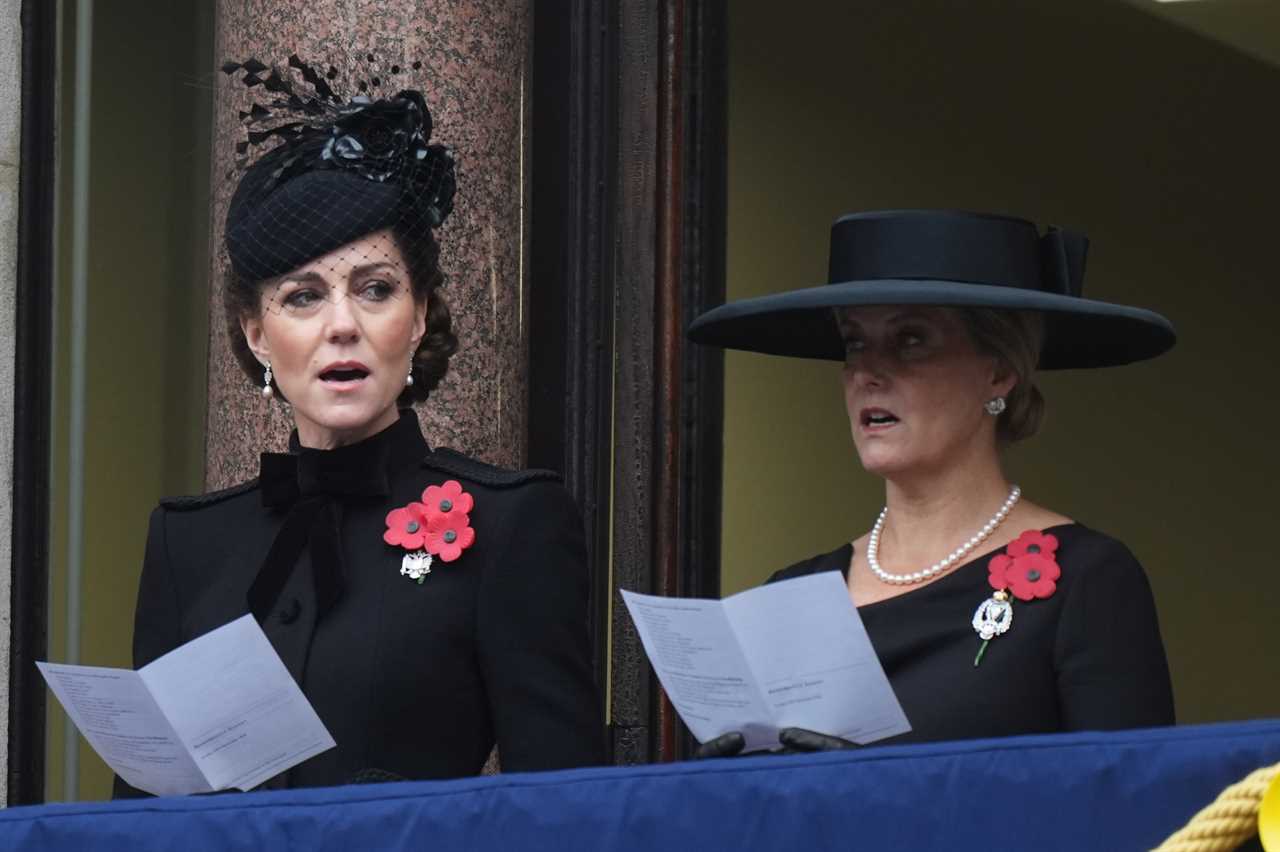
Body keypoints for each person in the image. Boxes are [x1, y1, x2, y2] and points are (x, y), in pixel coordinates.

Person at [115, 58, 604, 794]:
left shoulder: (514, 525)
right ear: (255, 334)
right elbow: (144, 813)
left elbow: (567, 811)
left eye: (375, 290)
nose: (342, 326)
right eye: (303, 297)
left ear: (420, 318)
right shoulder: (188, 543)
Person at [687, 209, 1176, 755]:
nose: (867, 372)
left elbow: (1131, 814)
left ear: (998, 371)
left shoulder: (1086, 581)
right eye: (853, 343)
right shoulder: (792, 595)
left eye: (911, 340)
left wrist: (886, 800)